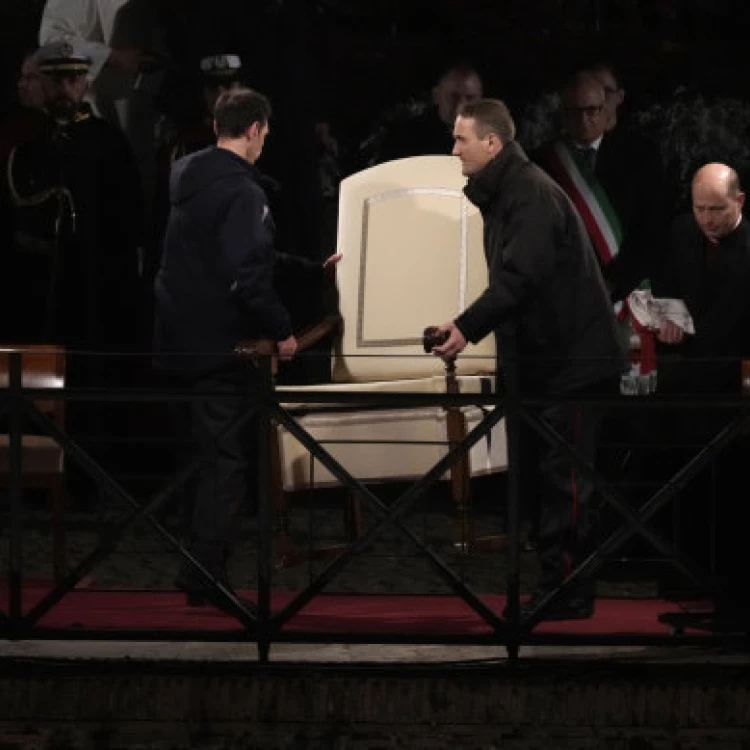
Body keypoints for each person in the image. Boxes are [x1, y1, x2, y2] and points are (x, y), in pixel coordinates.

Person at [430, 99, 626, 621]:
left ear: (492, 143)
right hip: (547, 364)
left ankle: (568, 592)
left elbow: (520, 278)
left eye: (461, 139)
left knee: (568, 482)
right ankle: (556, 587)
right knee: (549, 481)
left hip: (573, 365)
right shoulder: (509, 191)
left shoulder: (530, 193)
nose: (454, 150)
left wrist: (464, 329)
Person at [153, 86, 339, 615]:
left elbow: (227, 254)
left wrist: (308, 268)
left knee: (196, 461)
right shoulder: (242, 191)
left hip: (178, 343)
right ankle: (206, 574)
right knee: (222, 467)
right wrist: (282, 331)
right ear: (256, 128)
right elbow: (247, 275)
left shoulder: (190, 177)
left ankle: (194, 569)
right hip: (221, 348)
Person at [652, 163, 750, 618]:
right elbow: (667, 293)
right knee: (687, 484)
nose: (707, 219)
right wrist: (665, 325)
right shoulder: (678, 233)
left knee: (732, 495)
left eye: (717, 209)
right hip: (689, 383)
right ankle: (688, 579)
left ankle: (733, 591)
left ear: (740, 202)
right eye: (700, 209)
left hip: (736, 388)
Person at [533, 71, 667, 306]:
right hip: (565, 296)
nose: (585, 120)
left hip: (625, 293)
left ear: (606, 111)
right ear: (563, 114)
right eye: (576, 111)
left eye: (592, 110)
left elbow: (652, 229)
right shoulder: (541, 163)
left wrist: (612, 282)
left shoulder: (640, 155)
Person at [371, 62, 484, 164]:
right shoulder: (404, 137)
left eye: (470, 98)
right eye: (454, 97)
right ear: (436, 96)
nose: (461, 106)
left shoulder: (490, 140)